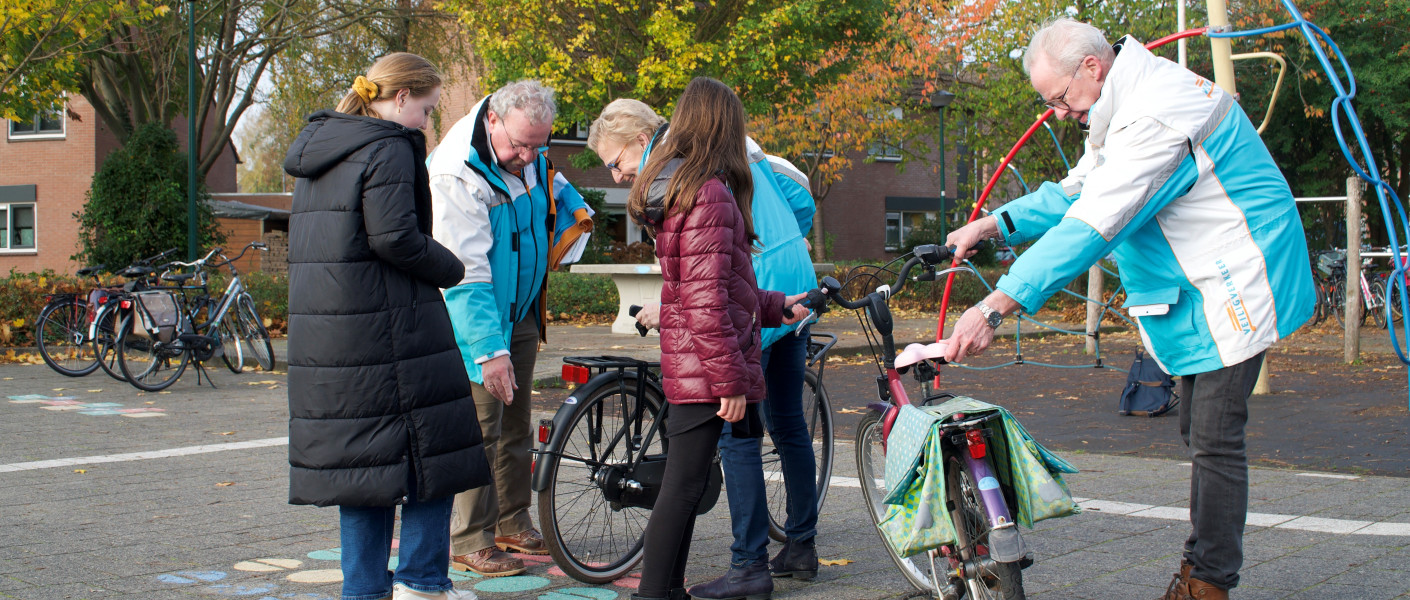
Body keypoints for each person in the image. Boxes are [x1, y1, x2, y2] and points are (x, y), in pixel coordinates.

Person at [941, 18, 1315, 600]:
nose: (1059, 113)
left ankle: (1209, 582)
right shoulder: (1123, 104)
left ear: (1091, 67)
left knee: (1215, 436)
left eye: (1059, 98)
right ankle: (1200, 566)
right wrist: (994, 223)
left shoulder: (1154, 116)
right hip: (1208, 281)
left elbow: (1094, 224)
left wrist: (994, 306)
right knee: (1199, 428)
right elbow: (1077, 190)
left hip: (1239, 278)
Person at [588, 99, 821, 600]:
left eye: (613, 162)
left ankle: (673, 588)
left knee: (687, 481)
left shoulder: (690, 188)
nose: (616, 173)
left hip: (702, 357)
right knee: (684, 483)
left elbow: (722, 288)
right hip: (707, 362)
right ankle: (671, 589)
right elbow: (707, 302)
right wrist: (730, 383)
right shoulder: (708, 193)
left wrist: (775, 305)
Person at [283, 52, 488, 600]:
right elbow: (394, 237)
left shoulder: (321, 152)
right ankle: (421, 583)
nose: (427, 122)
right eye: (426, 109)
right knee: (433, 460)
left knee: (364, 475)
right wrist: (453, 267)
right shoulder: (389, 147)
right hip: (391, 330)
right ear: (400, 100)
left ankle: (365, 591)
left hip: (331, 340)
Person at [427, 79, 592, 577]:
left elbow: (550, 188)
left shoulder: (527, 149)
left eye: (539, 146)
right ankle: (469, 538)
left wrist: (575, 207)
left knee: (515, 422)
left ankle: (512, 519)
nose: (528, 156)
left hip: (519, 308)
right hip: (476, 317)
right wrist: (486, 349)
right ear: (493, 120)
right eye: (520, 145)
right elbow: (465, 274)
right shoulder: (459, 174)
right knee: (479, 428)